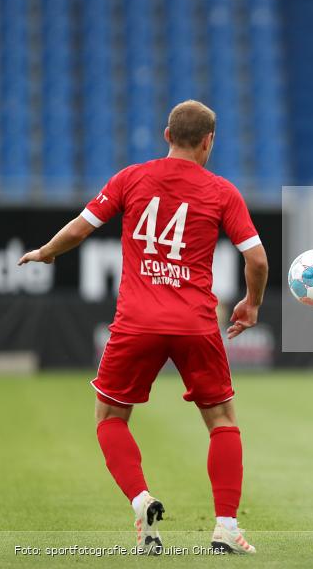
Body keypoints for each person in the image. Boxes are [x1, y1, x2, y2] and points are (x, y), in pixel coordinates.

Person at [18, 100, 268, 554]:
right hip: (195, 323)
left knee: (111, 417)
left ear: (166, 134)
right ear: (209, 141)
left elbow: (80, 228)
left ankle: (140, 499)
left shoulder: (131, 178)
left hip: (137, 321)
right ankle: (227, 528)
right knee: (221, 421)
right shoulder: (222, 191)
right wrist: (251, 305)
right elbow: (257, 258)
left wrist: (47, 252)